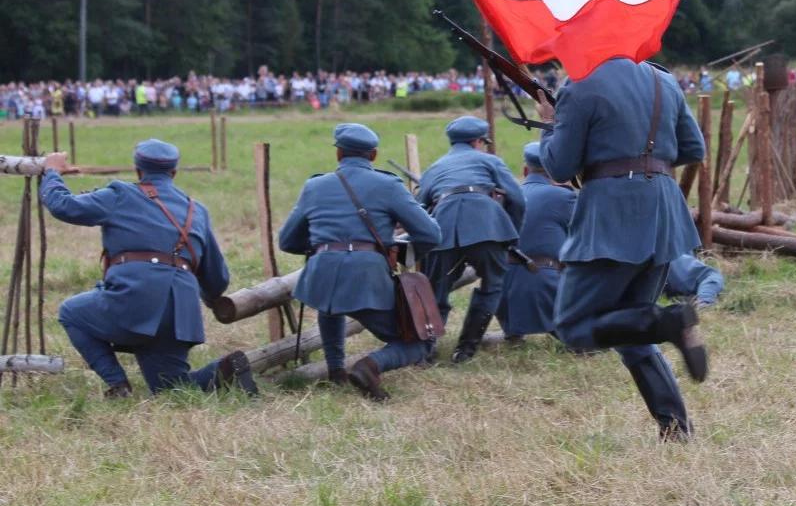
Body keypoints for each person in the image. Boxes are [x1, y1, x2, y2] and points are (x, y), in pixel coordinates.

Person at [535, 57, 709, 440]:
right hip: (663, 211)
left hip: (612, 215)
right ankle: (676, 428)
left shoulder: (579, 86)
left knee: (572, 327)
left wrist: (550, 121)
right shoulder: (664, 80)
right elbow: (693, 148)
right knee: (629, 327)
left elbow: (559, 168)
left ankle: (669, 322)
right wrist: (646, 159)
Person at [40, 140, 255, 398]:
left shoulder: (120, 194)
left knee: (72, 312)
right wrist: (206, 297)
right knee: (172, 390)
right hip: (180, 316)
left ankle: (118, 384)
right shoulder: (196, 211)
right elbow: (217, 281)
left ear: (138, 170)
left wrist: (51, 171)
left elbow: (63, 206)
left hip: (134, 303)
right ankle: (227, 370)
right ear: (173, 173)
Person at [278, 124, 441, 401]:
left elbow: (287, 241)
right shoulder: (389, 185)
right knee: (420, 342)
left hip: (320, 271)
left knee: (330, 306)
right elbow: (430, 233)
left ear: (339, 154)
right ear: (374, 155)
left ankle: (336, 373)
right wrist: (406, 254)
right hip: (364, 274)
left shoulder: (314, 186)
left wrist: (323, 248)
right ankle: (369, 367)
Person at [418, 116, 524, 363]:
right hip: (487, 226)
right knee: (492, 286)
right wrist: (510, 235)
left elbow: (420, 206)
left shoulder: (435, 167)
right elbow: (518, 199)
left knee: (435, 290)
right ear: (478, 141)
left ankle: (425, 350)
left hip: (443, 226)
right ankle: (465, 350)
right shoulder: (490, 161)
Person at [495, 142, 576, 342]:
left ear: (525, 170)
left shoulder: (505, 198)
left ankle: (513, 333)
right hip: (544, 288)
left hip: (501, 294)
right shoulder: (563, 197)